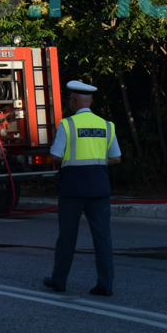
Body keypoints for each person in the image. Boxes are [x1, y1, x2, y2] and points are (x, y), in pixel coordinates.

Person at [43, 80, 121, 296]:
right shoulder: (107, 125)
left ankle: (59, 280)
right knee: (103, 237)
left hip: (73, 189)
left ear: (75, 100)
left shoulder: (66, 124)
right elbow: (116, 158)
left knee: (67, 236)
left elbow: (56, 156)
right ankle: (105, 284)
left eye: (69, 99)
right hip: (99, 187)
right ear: (90, 101)